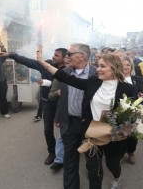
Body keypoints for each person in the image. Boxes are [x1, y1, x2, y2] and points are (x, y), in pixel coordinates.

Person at [38, 48, 135, 189]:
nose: (98, 69)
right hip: (92, 133)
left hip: (114, 136)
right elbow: (66, 78)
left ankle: (116, 177)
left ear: (114, 69)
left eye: (102, 66)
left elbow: (131, 115)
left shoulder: (128, 89)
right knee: (93, 170)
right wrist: (43, 62)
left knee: (112, 164)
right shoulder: (93, 82)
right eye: (98, 65)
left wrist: (121, 129)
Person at [0, 48, 67, 166]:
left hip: (63, 104)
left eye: (57, 55)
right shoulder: (46, 64)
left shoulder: (68, 69)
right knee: (47, 130)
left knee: (64, 131)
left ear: (65, 57)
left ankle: (66, 153)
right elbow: (28, 61)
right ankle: (52, 153)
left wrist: (49, 83)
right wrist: (11, 54)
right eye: (54, 54)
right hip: (47, 102)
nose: (53, 56)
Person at [46, 43, 96, 189]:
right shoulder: (64, 73)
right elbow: (56, 99)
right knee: (70, 161)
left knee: (92, 162)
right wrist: (58, 118)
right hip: (69, 123)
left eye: (70, 54)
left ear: (82, 56)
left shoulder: (97, 74)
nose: (67, 57)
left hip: (90, 125)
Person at [122, 56, 143, 164]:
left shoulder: (137, 79)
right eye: (123, 64)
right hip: (120, 111)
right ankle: (120, 152)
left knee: (133, 134)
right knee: (120, 132)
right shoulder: (114, 78)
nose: (126, 67)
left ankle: (131, 152)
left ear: (131, 67)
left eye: (128, 64)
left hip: (134, 111)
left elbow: (141, 93)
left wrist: (141, 96)